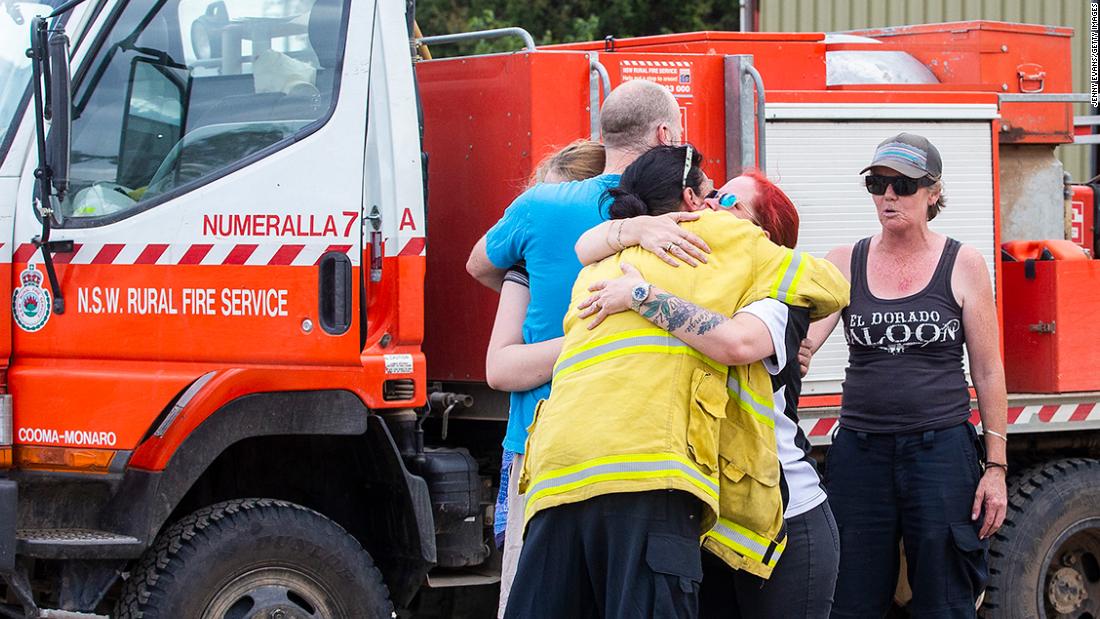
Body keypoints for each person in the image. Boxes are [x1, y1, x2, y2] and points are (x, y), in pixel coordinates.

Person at [505, 145, 849, 619]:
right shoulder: (664, 259)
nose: (712, 208)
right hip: (706, 516)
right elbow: (587, 245)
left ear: (765, 233)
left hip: (782, 518)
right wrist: (631, 231)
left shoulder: (767, 288)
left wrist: (641, 294)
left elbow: (739, 340)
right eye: (712, 196)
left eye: (729, 203)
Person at [803, 133, 1008, 618]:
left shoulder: (964, 262)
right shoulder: (844, 261)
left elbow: (988, 369)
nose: (888, 196)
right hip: (861, 452)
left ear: (933, 192)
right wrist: (791, 349)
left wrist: (996, 468)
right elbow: (805, 341)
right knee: (849, 600)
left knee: (944, 601)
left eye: (903, 185)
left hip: (941, 455)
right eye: (878, 183)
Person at [485, 139, 605, 618]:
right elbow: (500, 368)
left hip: (554, 449)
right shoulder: (527, 276)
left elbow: (502, 366)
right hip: (538, 448)